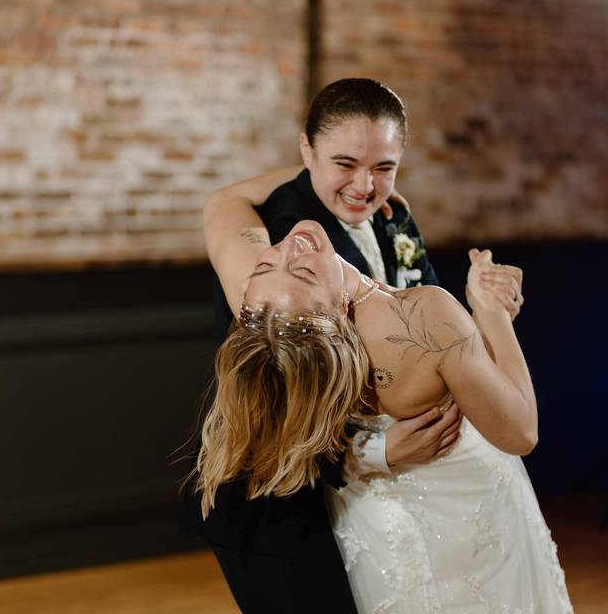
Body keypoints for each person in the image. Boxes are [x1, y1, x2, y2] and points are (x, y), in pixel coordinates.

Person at [181, 78, 527, 612]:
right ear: (306, 151)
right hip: (300, 504)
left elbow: (447, 353)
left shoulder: (391, 216)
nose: (366, 186)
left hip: (450, 486)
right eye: (344, 163)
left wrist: (482, 313)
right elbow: (288, 393)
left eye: (384, 167)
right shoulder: (283, 248)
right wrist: (372, 451)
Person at [196, 202, 573, 610]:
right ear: (339, 312)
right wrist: (491, 312)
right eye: (304, 272)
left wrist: (328, 162)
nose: (289, 250)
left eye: (263, 267)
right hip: (474, 515)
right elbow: (520, 431)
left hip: (373, 526)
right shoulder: (424, 316)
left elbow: (224, 206)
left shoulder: (273, 330)